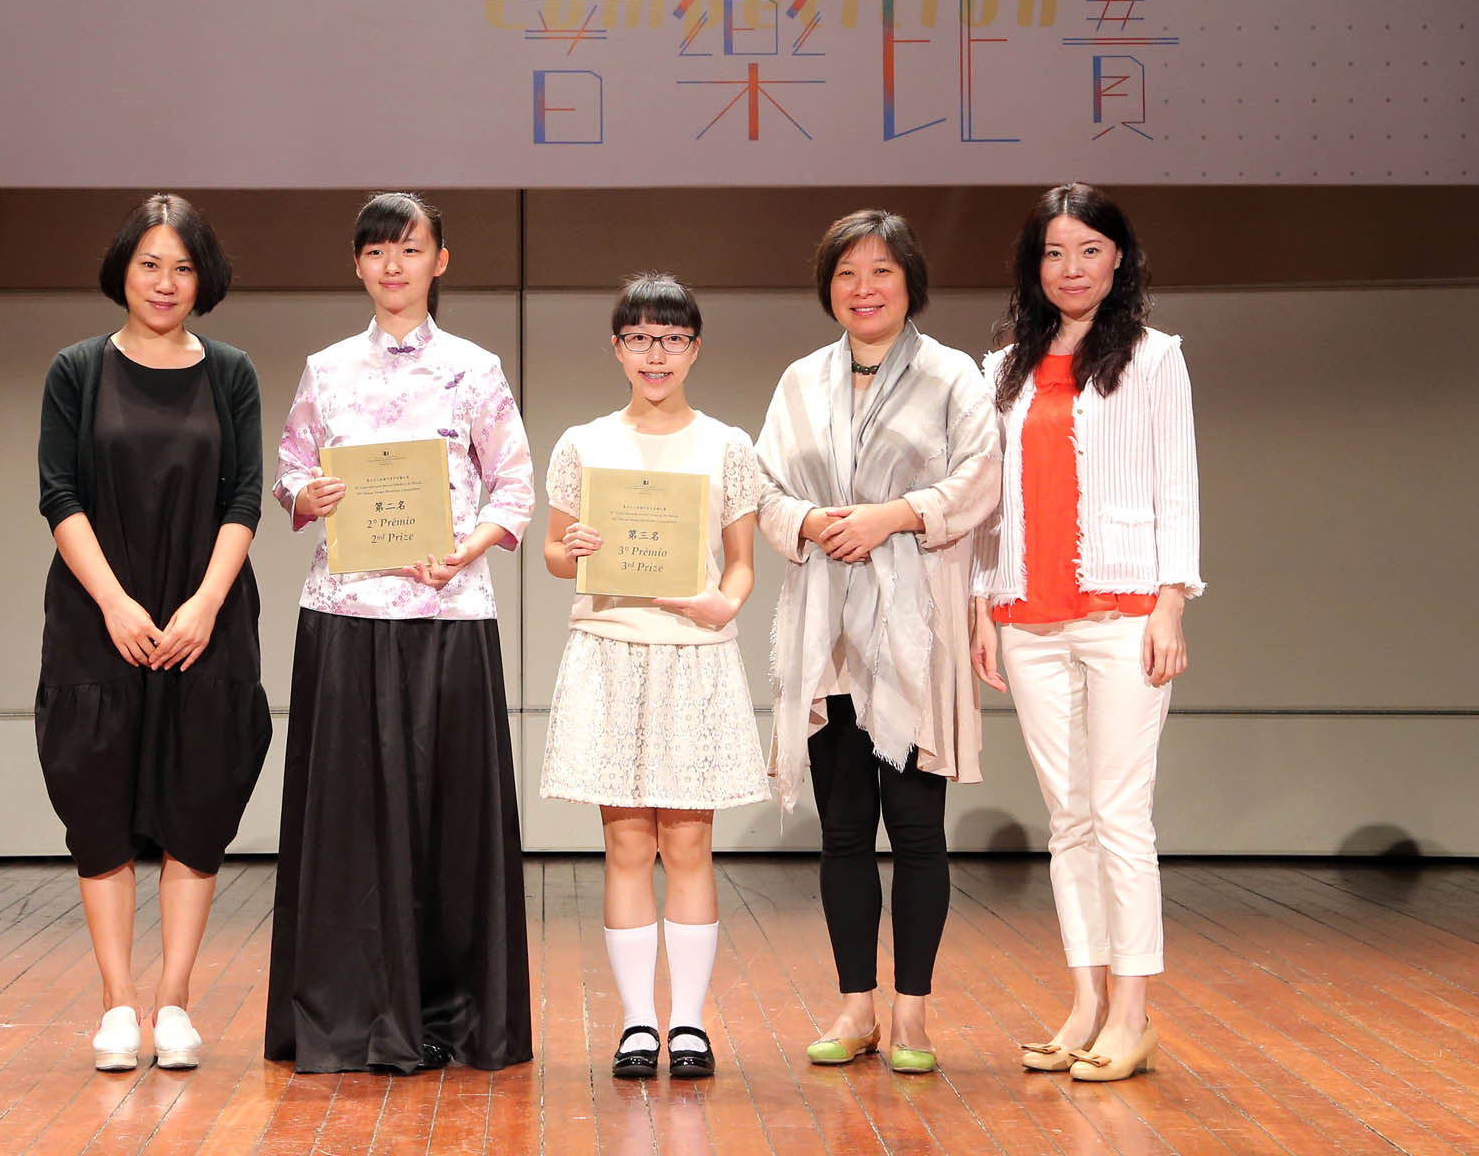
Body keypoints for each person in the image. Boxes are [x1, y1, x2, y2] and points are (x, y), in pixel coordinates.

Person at [265, 191, 535, 1074]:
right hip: (344, 617)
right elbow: (289, 472)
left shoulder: (476, 369)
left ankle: (455, 1017)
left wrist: (468, 550)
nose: (393, 266)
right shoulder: (326, 369)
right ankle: (346, 1015)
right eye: (378, 251)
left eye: (410, 249)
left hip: (448, 617)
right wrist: (308, 494)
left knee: (448, 825)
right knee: (346, 826)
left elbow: (516, 488)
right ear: (357, 264)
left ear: (439, 262)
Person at [755, 210, 999, 1075]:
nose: (864, 289)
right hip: (827, 634)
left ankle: (912, 1015)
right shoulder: (800, 380)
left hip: (914, 629)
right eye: (847, 274)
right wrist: (811, 521)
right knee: (845, 832)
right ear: (829, 288)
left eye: (881, 272)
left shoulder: (952, 374)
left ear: (909, 282)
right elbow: (761, 487)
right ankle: (855, 1007)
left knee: (919, 832)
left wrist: (893, 515)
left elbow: (981, 478)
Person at [33, 193, 272, 1073]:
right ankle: (116, 1004)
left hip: (206, 619)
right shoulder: (77, 369)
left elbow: (244, 496)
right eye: (149, 265)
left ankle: (173, 1001)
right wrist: (114, 603)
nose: (165, 283)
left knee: (197, 803)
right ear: (122, 272)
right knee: (97, 806)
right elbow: (60, 494)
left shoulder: (232, 372)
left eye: (182, 268)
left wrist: (205, 604)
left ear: (204, 279)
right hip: (100, 617)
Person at [969, 183, 1199, 1083]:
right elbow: (990, 502)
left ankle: (1134, 1014)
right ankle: (1086, 1003)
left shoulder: (1153, 357)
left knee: (1119, 814)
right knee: (1067, 820)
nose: (1072, 269)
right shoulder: (1002, 370)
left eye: (1090, 250)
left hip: (1124, 611)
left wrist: (1172, 601)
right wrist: (985, 603)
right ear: (1035, 265)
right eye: (1055, 253)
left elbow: (1176, 482)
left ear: (1119, 259)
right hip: (1029, 616)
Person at [538, 274, 767, 1082]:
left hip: (694, 655)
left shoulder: (727, 444)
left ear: (695, 349)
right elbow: (554, 552)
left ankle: (690, 1025)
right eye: (640, 338)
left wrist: (722, 605)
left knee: (691, 841)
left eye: (671, 339)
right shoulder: (583, 443)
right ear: (617, 348)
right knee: (628, 842)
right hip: (611, 649)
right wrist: (576, 549)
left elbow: (741, 564)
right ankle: (639, 1023)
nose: (656, 354)